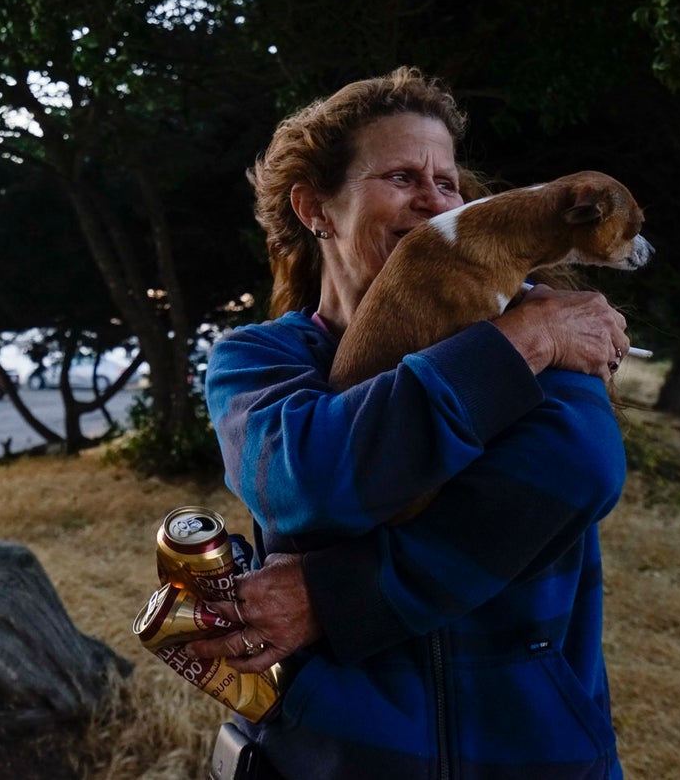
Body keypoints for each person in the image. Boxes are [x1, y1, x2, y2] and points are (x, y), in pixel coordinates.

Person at [185, 67, 630, 779]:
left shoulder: (540, 308)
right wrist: (523, 347)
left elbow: (577, 473)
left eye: (447, 183)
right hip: (334, 759)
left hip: (536, 754)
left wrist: (334, 598)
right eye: (399, 176)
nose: (432, 200)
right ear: (314, 209)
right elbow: (309, 480)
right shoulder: (261, 359)